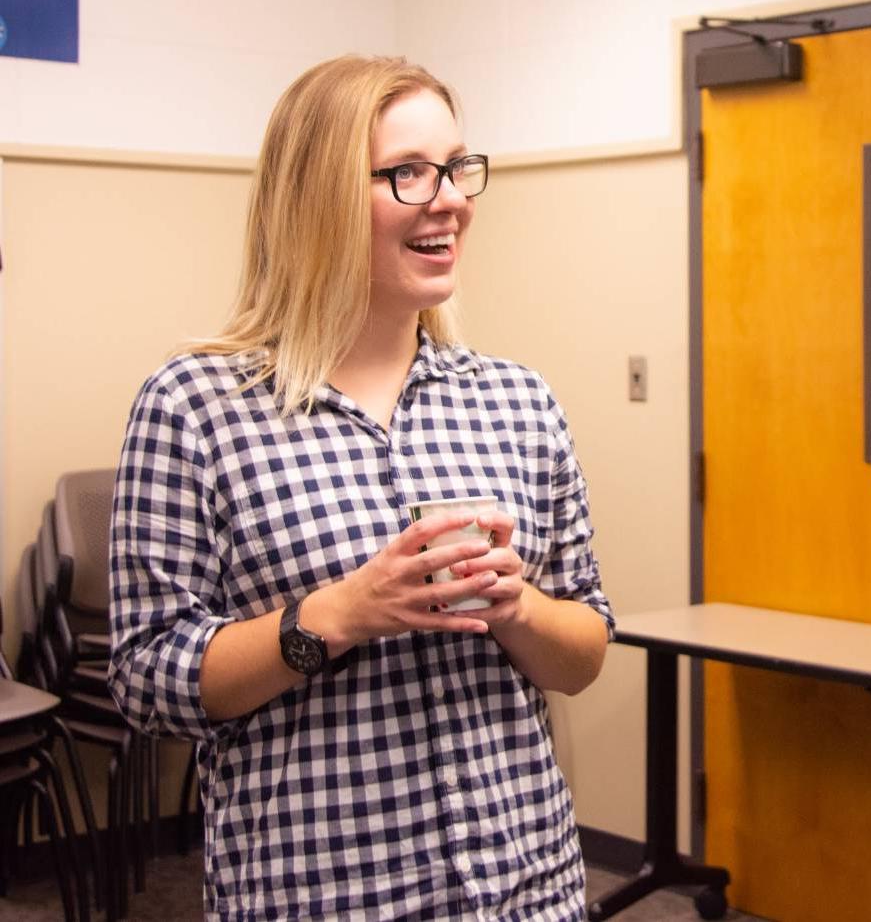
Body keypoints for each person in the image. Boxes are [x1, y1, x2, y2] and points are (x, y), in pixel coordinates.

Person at [109, 55, 613, 920]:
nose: (450, 198)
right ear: (318, 197)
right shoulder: (195, 406)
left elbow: (585, 647)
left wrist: (516, 605)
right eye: (408, 173)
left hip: (527, 889)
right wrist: (337, 614)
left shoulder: (516, 400)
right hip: (328, 895)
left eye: (457, 168)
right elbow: (148, 677)